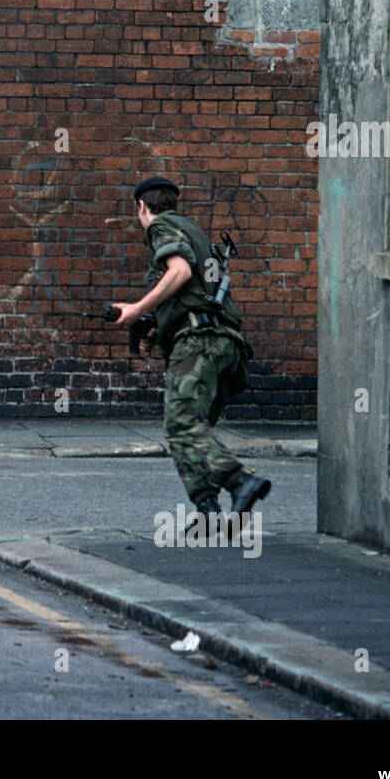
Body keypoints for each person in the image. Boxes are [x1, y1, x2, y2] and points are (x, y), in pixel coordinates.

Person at [110, 176, 272, 523]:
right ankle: (208, 510)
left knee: (181, 423)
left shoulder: (161, 227)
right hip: (225, 345)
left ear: (142, 206)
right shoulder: (193, 232)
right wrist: (156, 326)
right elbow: (192, 292)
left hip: (199, 344)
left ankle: (239, 480)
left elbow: (179, 271)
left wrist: (136, 310)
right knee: (191, 432)